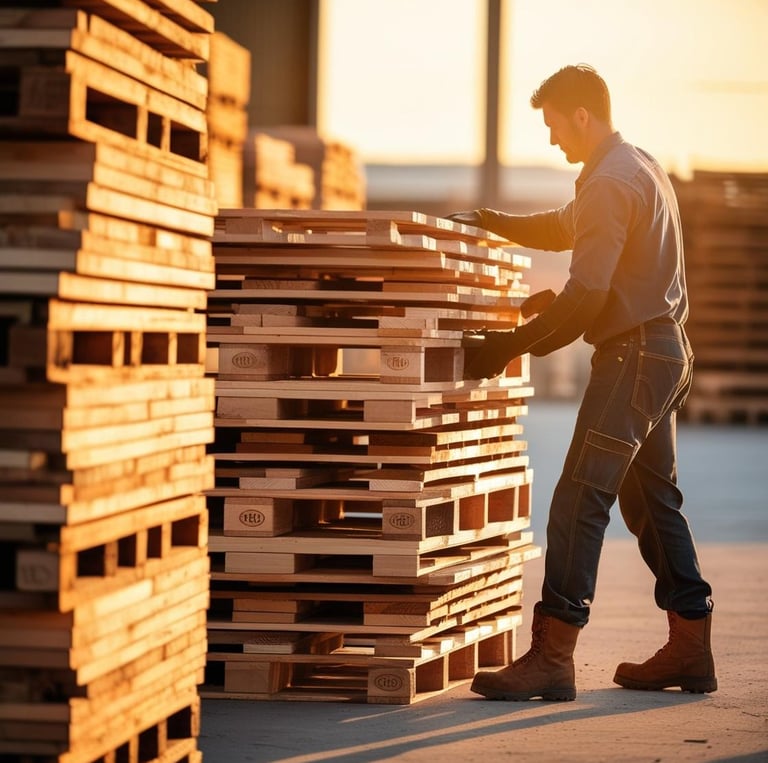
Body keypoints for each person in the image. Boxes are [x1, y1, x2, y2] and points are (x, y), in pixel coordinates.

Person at [447, 64, 716, 701]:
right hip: (664, 352)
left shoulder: (610, 181)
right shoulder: (635, 165)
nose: (551, 140)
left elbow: (590, 294)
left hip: (633, 359)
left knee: (577, 499)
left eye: (553, 126)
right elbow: (570, 229)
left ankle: (552, 655)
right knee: (649, 500)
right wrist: (493, 219)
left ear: (582, 116)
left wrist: (508, 347)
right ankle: (691, 646)